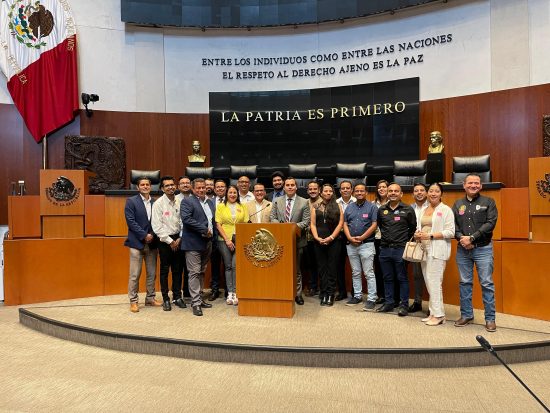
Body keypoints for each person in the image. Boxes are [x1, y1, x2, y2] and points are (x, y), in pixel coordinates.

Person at [452, 174, 498, 332]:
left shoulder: (489, 202)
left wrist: (472, 238)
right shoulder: (458, 204)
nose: (473, 185)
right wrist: (462, 239)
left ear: (481, 186)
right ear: (463, 185)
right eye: (470, 183)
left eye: (476, 183)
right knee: (465, 283)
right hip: (462, 249)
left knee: (486, 283)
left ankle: (490, 319)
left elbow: (490, 223)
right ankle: (466, 315)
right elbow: (454, 226)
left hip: (483, 248)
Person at [414, 183, 455, 326]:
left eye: (436, 191)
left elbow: (450, 232)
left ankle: (438, 315)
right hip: (424, 250)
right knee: (429, 283)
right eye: (430, 191)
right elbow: (420, 227)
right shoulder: (424, 209)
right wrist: (418, 234)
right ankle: (433, 313)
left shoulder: (446, 210)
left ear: (441, 194)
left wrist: (429, 235)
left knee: (435, 283)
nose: (433, 193)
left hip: (437, 250)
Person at [376, 183, 416, 316]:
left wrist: (402, 241)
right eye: (390, 191)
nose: (393, 193)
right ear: (387, 193)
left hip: (400, 249)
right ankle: (389, 303)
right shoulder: (382, 210)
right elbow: (381, 227)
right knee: (387, 277)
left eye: (396, 191)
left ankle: (404, 305)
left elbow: (412, 228)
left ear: (401, 194)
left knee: (402, 278)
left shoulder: (408, 209)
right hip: (385, 249)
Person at [270, 177, 311, 305]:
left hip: (297, 241)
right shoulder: (276, 201)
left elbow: (306, 221)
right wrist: (283, 227)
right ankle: (282, 291)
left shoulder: (304, 202)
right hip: (280, 241)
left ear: (296, 187)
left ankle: (297, 294)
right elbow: (272, 217)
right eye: (287, 185)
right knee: (280, 269)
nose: (290, 187)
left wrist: (291, 228)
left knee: (296, 270)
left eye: (292, 185)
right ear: (284, 187)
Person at [180, 178, 216, 316]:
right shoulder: (187, 201)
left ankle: (200, 299)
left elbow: (212, 221)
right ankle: (195, 303)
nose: (201, 190)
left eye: (203, 187)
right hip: (193, 243)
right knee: (194, 272)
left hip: (207, 243)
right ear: (193, 189)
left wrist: (211, 236)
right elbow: (187, 219)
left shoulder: (210, 202)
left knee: (201, 271)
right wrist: (204, 230)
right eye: (198, 188)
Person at [124, 177, 161, 312]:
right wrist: (144, 235)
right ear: (138, 187)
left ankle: (150, 298)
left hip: (152, 243)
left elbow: (158, 221)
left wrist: (151, 234)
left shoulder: (156, 202)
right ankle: (133, 301)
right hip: (136, 243)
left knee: (152, 273)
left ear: (151, 187)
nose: (145, 186)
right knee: (135, 274)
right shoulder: (131, 201)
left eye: (147, 185)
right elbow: (131, 222)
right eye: (142, 185)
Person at [152, 176, 186, 311]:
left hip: (179, 239)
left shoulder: (180, 201)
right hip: (165, 241)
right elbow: (156, 227)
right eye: (167, 186)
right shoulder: (158, 204)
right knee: (165, 270)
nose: (171, 187)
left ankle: (177, 296)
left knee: (178, 270)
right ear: (162, 188)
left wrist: (180, 238)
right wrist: (170, 241)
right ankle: (166, 298)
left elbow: (184, 221)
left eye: (172, 185)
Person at [343, 183, 378, 310]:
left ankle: (371, 298)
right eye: (357, 191)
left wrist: (362, 237)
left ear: (366, 192)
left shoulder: (372, 207)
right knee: (356, 272)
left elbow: (374, 225)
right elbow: (345, 224)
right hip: (351, 244)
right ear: (353, 193)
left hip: (366, 244)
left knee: (369, 273)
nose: (359, 193)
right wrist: (349, 238)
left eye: (361, 191)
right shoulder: (349, 207)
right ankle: (357, 296)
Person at [310, 184, 343, 306]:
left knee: (332, 268)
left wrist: (331, 237)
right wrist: (317, 237)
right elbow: (312, 224)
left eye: (330, 191)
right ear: (321, 192)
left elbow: (340, 224)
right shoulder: (315, 206)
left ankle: (330, 294)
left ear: (332, 193)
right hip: (319, 241)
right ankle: (323, 293)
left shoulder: (337, 206)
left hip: (334, 241)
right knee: (322, 268)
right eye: (325, 191)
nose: (328, 193)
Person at [215, 185, 249, 305]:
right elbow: (218, 224)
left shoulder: (243, 206)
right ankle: (230, 292)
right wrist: (227, 240)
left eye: (235, 193)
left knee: (236, 266)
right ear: (226, 194)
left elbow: (245, 223)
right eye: (230, 193)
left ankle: (236, 292)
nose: (233, 195)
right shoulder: (220, 206)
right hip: (224, 240)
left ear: (238, 194)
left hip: (239, 239)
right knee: (228, 266)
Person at [335, 180, 356, 300]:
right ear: (340, 190)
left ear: (351, 190)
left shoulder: (357, 202)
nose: (345, 190)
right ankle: (342, 291)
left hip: (353, 237)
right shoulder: (336, 202)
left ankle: (355, 291)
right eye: (343, 188)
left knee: (355, 266)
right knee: (339, 266)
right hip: (339, 237)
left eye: (348, 188)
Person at [409, 183, 428, 313]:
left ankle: (434, 305)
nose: (419, 193)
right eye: (416, 191)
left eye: (422, 190)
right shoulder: (410, 208)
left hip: (430, 244)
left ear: (426, 193)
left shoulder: (433, 207)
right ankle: (417, 302)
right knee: (417, 275)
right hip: (415, 244)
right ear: (412, 194)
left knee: (431, 275)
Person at [208, 179, 227, 301]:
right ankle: (214, 290)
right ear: (214, 189)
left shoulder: (231, 201)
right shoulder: (209, 202)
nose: (220, 189)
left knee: (227, 265)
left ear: (226, 188)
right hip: (213, 239)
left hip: (226, 238)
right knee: (214, 266)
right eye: (218, 187)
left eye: (222, 187)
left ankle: (228, 290)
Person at [304, 180, 322, 297]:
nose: (312, 191)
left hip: (320, 238)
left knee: (321, 264)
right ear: (307, 191)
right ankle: (313, 287)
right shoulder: (304, 202)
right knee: (310, 265)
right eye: (310, 189)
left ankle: (322, 288)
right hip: (307, 238)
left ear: (319, 190)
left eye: (315, 189)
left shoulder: (324, 202)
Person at [373, 179, 389, 304]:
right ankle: (381, 295)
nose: (381, 189)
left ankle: (392, 296)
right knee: (378, 268)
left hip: (389, 240)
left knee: (389, 269)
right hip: (376, 239)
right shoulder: (373, 204)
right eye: (379, 187)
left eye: (384, 187)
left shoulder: (393, 203)